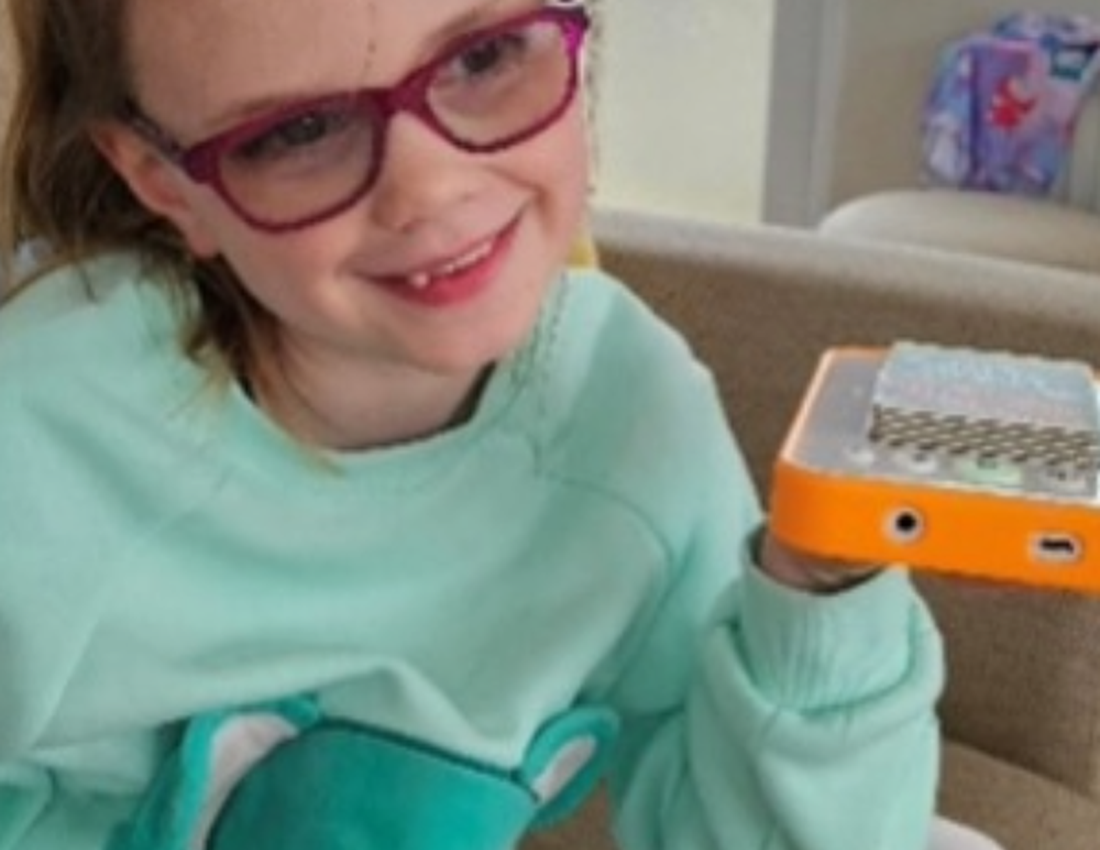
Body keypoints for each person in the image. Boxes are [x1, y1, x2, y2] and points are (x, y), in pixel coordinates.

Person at [0, 0, 1002, 848]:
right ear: (165, 185)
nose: (430, 189)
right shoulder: (44, 436)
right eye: (296, 134)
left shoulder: (625, 404)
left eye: (483, 58)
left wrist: (816, 588)